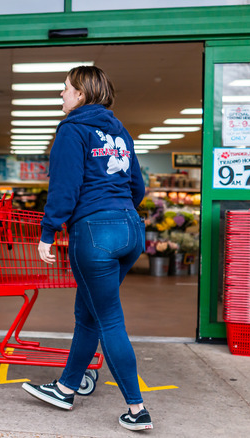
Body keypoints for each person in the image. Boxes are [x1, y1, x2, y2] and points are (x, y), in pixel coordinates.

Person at [21, 66, 152, 432]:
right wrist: (119, 210)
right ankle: (65, 387)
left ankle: (137, 408)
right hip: (130, 230)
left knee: (108, 318)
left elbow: (64, 188)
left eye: (64, 89)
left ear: (80, 94)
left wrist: (47, 232)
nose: (60, 96)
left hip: (94, 232)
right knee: (90, 313)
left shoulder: (71, 131)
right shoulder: (119, 131)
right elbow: (137, 186)